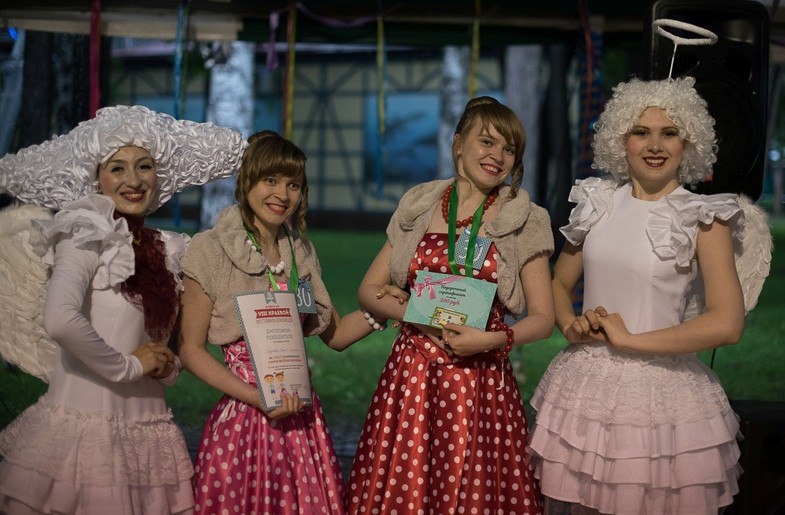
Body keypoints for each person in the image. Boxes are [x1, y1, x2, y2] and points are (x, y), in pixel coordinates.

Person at [527, 77, 771, 514]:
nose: (654, 145)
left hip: (662, 394)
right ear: (621, 141)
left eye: (669, 133)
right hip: (586, 388)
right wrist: (570, 325)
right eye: (641, 132)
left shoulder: (703, 217)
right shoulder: (598, 202)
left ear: (688, 143)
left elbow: (727, 324)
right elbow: (559, 285)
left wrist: (631, 340)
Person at [0, 105, 246, 514]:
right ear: (96, 178)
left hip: (149, 434)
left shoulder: (170, 248)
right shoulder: (84, 236)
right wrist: (129, 366)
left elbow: (164, 341)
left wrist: (167, 365)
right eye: (117, 168)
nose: (133, 180)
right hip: (88, 434)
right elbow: (59, 319)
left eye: (144, 166)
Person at [178, 130, 407, 515]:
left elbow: (335, 334)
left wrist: (382, 309)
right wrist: (258, 398)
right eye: (270, 180)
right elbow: (190, 350)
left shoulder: (299, 250)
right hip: (246, 416)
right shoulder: (210, 249)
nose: (282, 194)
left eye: (293, 184)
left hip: (301, 418)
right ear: (247, 180)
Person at [346, 96, 555, 513]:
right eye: (487, 142)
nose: (498, 156)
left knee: (474, 486)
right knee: (409, 483)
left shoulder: (524, 218)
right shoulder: (421, 205)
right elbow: (369, 289)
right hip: (413, 375)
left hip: (481, 377)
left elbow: (544, 319)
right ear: (458, 143)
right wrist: (416, 314)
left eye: (509, 148)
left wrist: (491, 340)